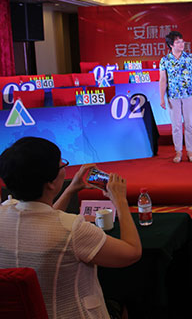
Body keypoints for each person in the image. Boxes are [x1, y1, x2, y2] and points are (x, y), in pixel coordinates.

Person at [0, 137, 142, 319]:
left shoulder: (4, 211)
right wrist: (120, 201)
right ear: (50, 183)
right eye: (62, 165)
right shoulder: (73, 230)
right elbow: (132, 253)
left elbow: (42, 219)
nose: (64, 168)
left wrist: (71, 189)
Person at [159, 31, 192, 163]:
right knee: (176, 125)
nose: (181, 44)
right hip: (173, 96)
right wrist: (161, 98)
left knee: (189, 124)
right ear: (171, 45)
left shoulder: (190, 57)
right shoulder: (165, 60)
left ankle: (190, 151)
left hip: (189, 95)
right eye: (178, 42)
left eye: (182, 41)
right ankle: (178, 151)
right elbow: (163, 80)